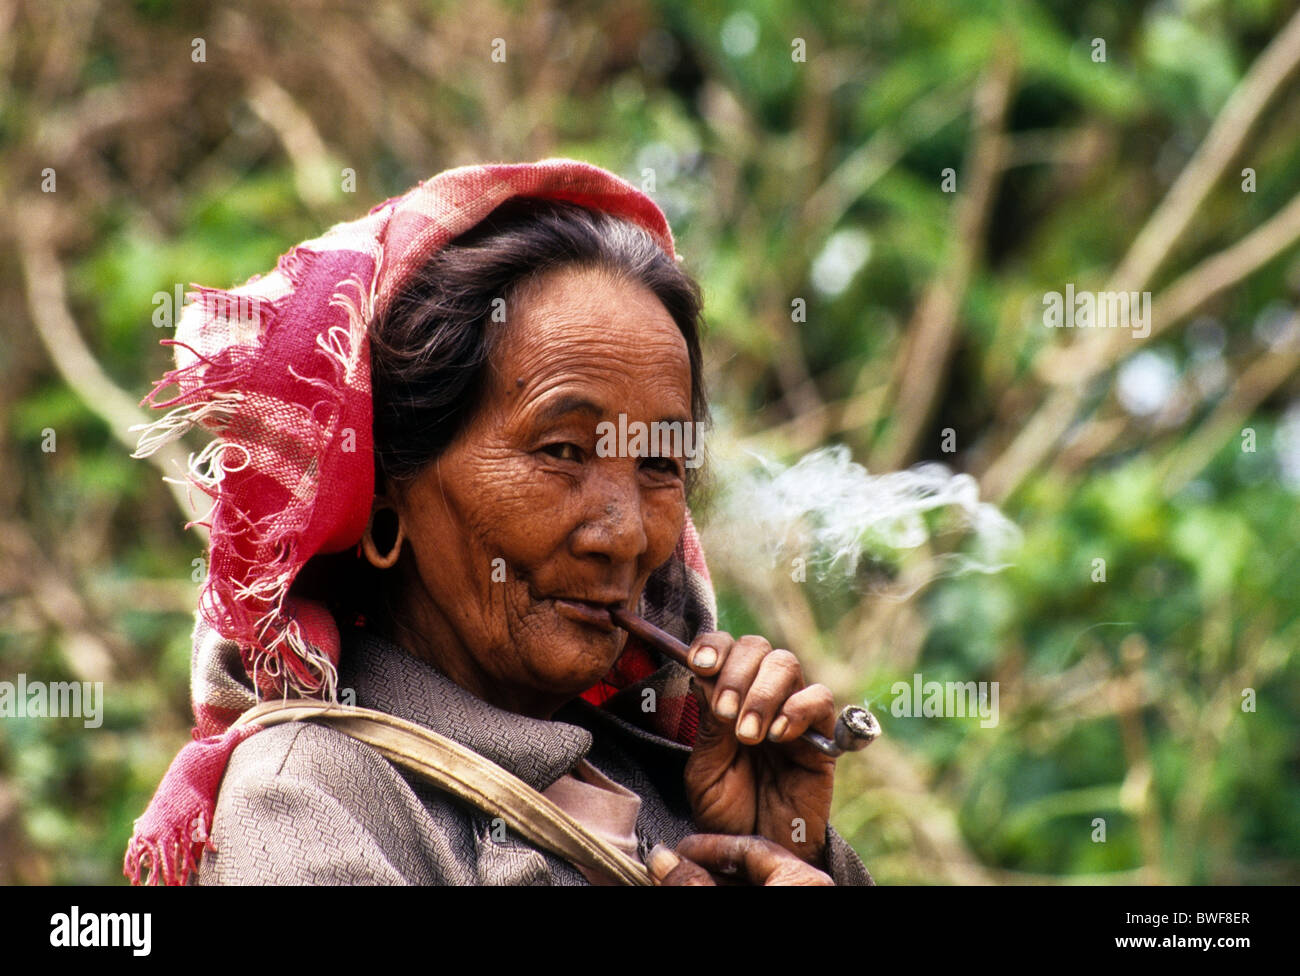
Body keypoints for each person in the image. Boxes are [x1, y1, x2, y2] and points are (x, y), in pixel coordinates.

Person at [125, 159, 873, 886]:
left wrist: (789, 850)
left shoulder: (685, 792)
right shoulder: (309, 802)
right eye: (561, 450)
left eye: (659, 465)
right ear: (385, 496)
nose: (624, 536)